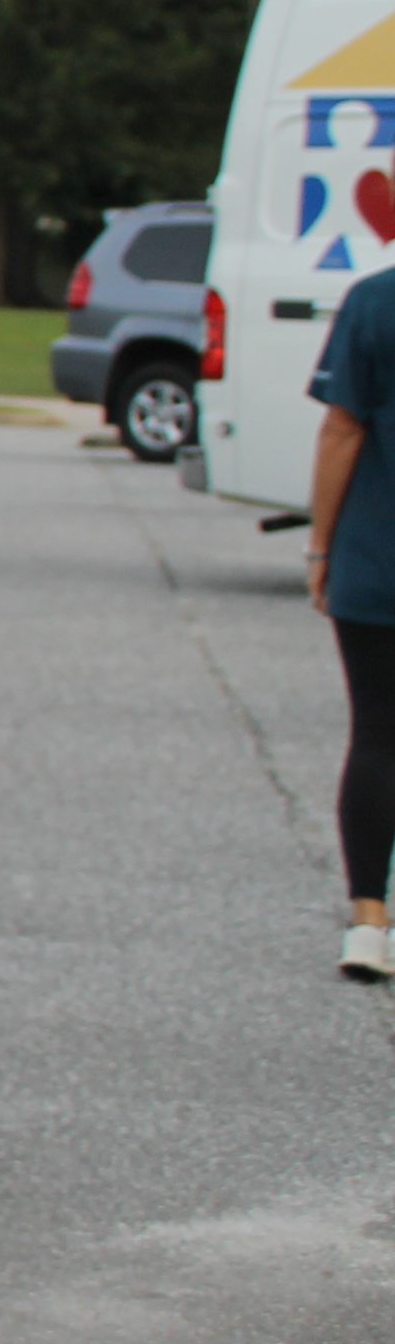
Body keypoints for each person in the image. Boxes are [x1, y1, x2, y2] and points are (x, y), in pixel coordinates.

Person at [302, 262, 395, 981]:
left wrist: (321, 545)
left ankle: (369, 918)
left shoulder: (374, 300)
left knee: (377, 733)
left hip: (380, 554)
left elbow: (342, 427)